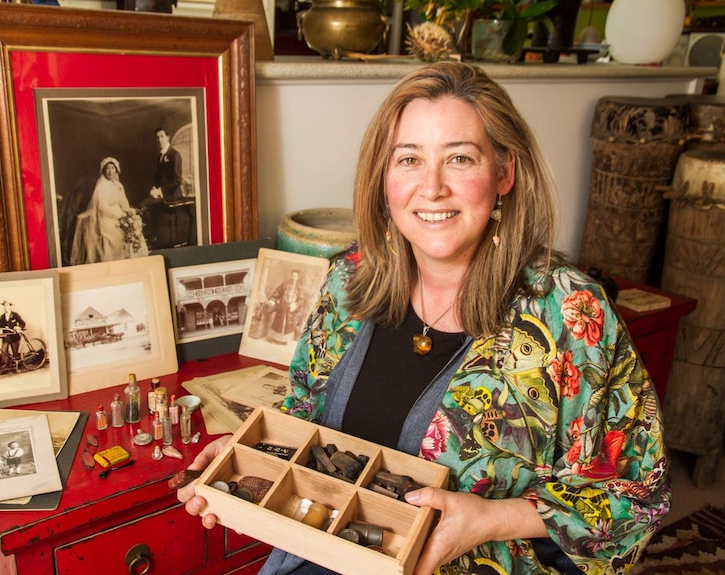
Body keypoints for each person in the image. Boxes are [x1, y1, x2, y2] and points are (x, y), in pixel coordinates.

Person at [178, 62, 670, 575]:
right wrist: (249, 454)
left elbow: (639, 496)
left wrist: (491, 519)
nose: (432, 188)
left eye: (459, 158)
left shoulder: (570, 313)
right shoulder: (348, 280)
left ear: (504, 173)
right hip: (331, 551)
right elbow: (305, 414)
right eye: (409, 159)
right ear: (383, 179)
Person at [70, 157, 149, 265]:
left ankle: (132, 263)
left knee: (133, 229)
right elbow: (103, 207)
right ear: (103, 171)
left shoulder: (119, 185)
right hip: (106, 217)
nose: (110, 171)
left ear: (117, 170)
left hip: (120, 216)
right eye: (107, 169)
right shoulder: (101, 186)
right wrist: (120, 216)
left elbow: (123, 201)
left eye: (112, 168)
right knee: (117, 235)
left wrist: (129, 214)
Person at [262, 270, 305, 344]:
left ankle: (284, 340)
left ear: (297, 277)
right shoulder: (285, 284)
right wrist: (272, 300)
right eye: (293, 275)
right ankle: (275, 338)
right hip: (282, 306)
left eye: (295, 276)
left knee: (288, 325)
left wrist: (295, 304)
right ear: (291, 275)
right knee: (278, 323)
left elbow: (301, 300)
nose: (293, 277)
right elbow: (277, 292)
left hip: (290, 309)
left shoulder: (299, 288)